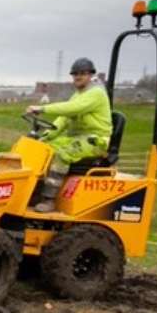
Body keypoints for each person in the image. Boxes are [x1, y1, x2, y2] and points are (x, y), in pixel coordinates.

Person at [25, 57, 112, 212]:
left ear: (91, 75)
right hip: (77, 138)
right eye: (75, 74)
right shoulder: (79, 94)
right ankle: (33, 192)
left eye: (82, 73)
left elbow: (73, 108)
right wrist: (46, 137)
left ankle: (49, 199)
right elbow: (64, 119)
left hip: (95, 141)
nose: (78, 77)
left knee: (61, 154)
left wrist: (43, 109)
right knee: (44, 149)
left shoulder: (96, 93)